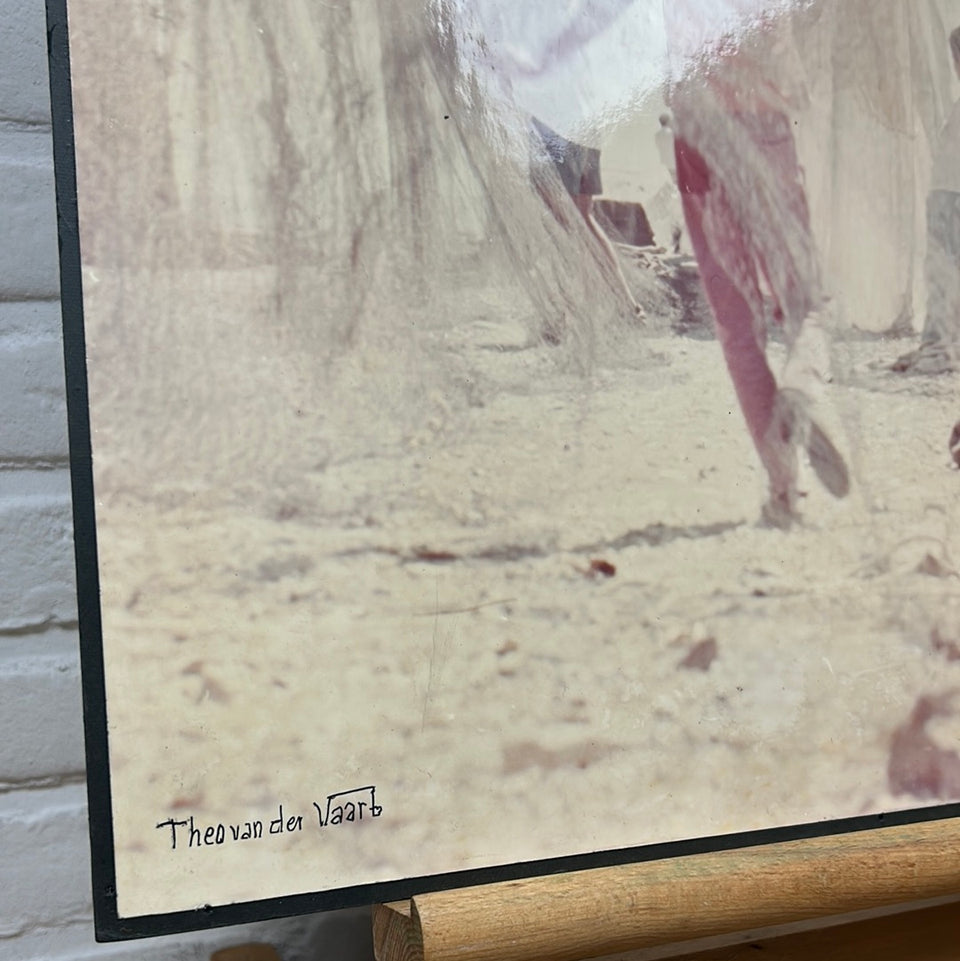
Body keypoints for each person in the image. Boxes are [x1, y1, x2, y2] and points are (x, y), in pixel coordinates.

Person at [664, 0, 849, 527]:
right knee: (808, 302)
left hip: (694, 136)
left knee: (737, 329)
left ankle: (783, 492)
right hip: (764, 123)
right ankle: (799, 389)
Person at [894, 25, 960, 374]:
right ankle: (937, 344)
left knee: (944, 269)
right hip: (946, 189)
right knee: (941, 270)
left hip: (951, 191)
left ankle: (940, 347)